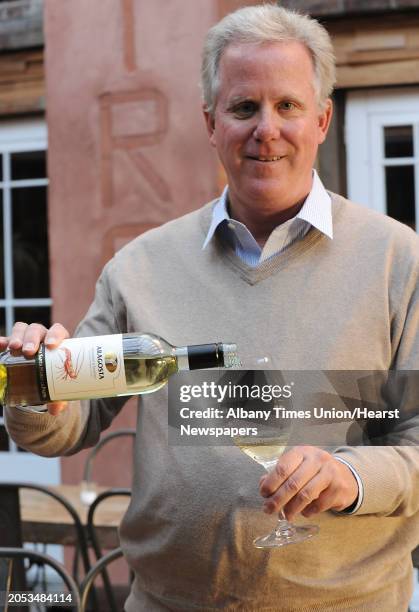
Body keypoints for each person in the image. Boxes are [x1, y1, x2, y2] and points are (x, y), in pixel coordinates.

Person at [2, 4, 419, 611]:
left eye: (288, 106)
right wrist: (33, 384)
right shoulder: (141, 266)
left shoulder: (398, 261)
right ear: (210, 122)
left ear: (323, 119)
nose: (266, 129)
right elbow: (70, 424)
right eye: (244, 107)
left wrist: (350, 478)